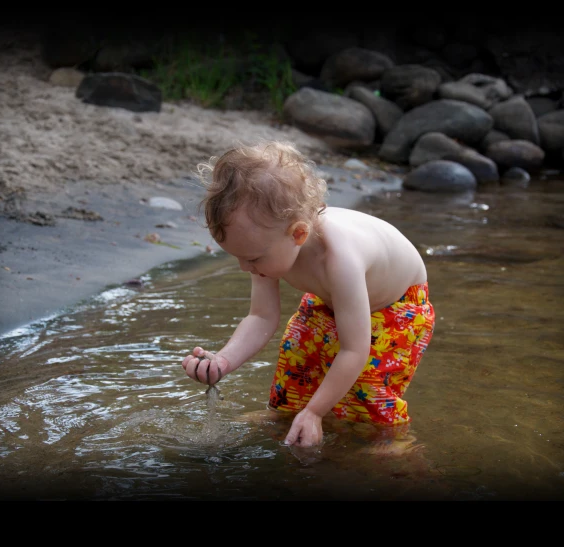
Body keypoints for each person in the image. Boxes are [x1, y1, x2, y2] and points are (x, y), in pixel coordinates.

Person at [181, 140, 435, 448]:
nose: (244, 267)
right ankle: (287, 415)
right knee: (299, 354)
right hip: (329, 298)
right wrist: (222, 361)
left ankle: (390, 440)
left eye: (252, 258)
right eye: (237, 256)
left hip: (397, 307)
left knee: (367, 383)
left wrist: (316, 411)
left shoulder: (340, 258)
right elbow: (261, 316)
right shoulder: (268, 245)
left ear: (299, 234)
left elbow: (355, 350)